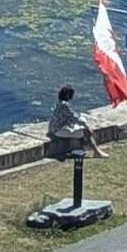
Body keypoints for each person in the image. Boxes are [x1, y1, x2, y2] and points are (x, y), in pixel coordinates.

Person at [44, 85, 102, 213]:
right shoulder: (65, 105)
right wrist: (87, 125)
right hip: (59, 131)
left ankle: (92, 149)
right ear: (69, 95)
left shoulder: (61, 104)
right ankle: (93, 150)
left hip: (56, 128)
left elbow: (72, 116)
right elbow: (75, 117)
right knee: (83, 132)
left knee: (81, 129)